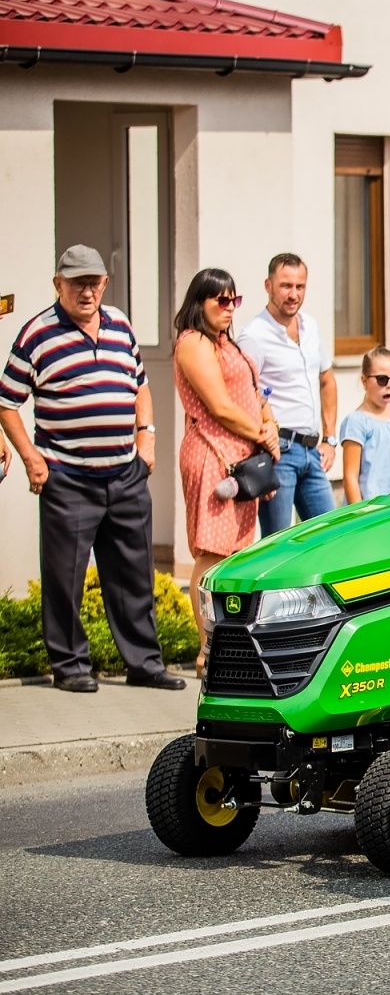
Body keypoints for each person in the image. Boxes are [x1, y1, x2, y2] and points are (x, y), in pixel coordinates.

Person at [0, 245, 185, 693]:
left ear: (105, 282)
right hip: (68, 478)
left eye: (94, 281)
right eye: (77, 282)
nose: (87, 291)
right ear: (58, 285)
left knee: (134, 574)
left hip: (125, 473)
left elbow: (140, 386)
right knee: (64, 577)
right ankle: (70, 667)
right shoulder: (36, 334)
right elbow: (7, 403)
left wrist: (148, 438)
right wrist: (31, 457)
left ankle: (144, 664)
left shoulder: (120, 323)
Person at [174, 268, 279, 668]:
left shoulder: (227, 343)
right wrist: (263, 434)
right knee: (211, 554)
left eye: (234, 300)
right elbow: (218, 406)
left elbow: (255, 393)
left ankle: (227, 646)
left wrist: (269, 426)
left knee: (236, 553)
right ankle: (207, 649)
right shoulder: (194, 342)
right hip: (212, 454)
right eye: (221, 300)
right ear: (199, 302)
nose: (229, 308)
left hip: (241, 457)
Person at [237, 253, 335, 534]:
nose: (293, 294)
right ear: (268, 285)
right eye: (285, 286)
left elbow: (327, 380)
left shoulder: (311, 326)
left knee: (331, 534)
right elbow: (245, 396)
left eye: (300, 286)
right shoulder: (254, 336)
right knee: (278, 542)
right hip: (280, 452)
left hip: (312, 451)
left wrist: (330, 439)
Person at [338, 346, 390, 503]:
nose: (389, 385)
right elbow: (350, 477)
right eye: (382, 379)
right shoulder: (357, 422)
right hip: (371, 510)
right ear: (364, 381)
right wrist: (361, 515)